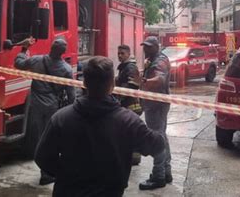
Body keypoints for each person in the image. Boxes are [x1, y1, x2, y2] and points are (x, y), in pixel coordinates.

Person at [34, 56, 165, 197]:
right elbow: (157, 145)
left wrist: (67, 175)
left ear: (84, 83)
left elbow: (42, 157)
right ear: (112, 84)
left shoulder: (61, 118)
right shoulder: (129, 121)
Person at [14, 37, 75, 185]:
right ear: (63, 52)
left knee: (40, 139)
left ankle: (45, 171)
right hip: (53, 107)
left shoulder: (36, 60)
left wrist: (23, 49)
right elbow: (71, 94)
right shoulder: (66, 69)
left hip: (35, 106)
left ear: (51, 48)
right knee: (51, 139)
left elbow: (18, 64)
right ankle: (48, 173)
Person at [139, 36, 172, 190]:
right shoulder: (153, 59)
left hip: (156, 105)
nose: (145, 49)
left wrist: (143, 82)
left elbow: (160, 79)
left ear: (156, 47)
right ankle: (166, 172)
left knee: (157, 138)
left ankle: (159, 176)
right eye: (144, 46)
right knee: (162, 137)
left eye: (148, 47)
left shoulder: (160, 61)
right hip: (154, 104)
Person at [116, 44, 143, 165]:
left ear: (128, 54)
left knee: (132, 131)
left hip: (131, 105)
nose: (120, 55)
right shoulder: (124, 67)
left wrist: (118, 97)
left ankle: (135, 158)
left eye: (122, 53)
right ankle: (130, 156)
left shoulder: (130, 67)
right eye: (118, 53)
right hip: (126, 105)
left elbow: (131, 86)